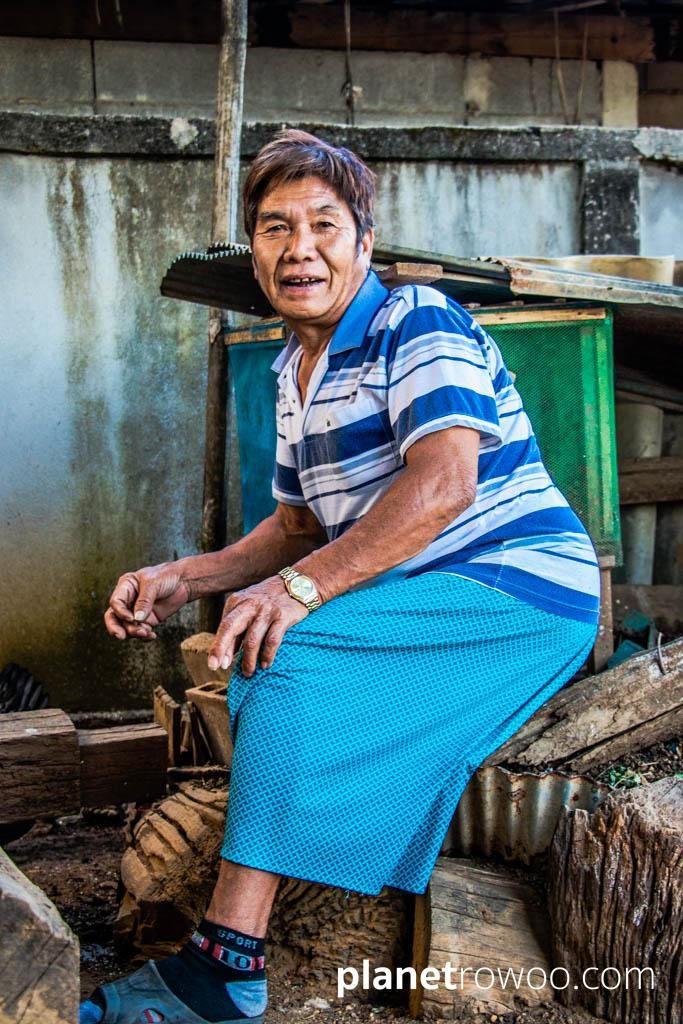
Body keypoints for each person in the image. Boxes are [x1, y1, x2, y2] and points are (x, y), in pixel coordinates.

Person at [81, 129, 599, 1024]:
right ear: (254, 253)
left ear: (364, 242)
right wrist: (181, 575)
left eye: (325, 223)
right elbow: (295, 527)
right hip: (423, 593)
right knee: (260, 642)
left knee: (288, 649)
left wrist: (301, 591)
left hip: (518, 589)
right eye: (275, 228)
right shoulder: (291, 368)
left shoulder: (416, 320)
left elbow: (444, 482)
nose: (300, 248)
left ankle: (223, 964)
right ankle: (233, 952)